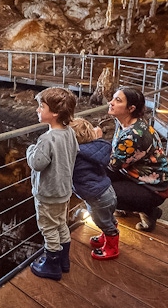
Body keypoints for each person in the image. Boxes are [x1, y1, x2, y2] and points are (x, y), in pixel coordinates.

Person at [26, 87, 79, 281]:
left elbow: (37, 163)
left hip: (48, 193)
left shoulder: (46, 139)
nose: (37, 110)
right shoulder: (70, 133)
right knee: (61, 224)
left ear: (54, 113)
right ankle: (64, 260)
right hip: (64, 190)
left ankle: (52, 264)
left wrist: (30, 150)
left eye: (41, 106)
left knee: (48, 228)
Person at [107, 87, 168, 232]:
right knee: (100, 175)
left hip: (152, 189)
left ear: (131, 108)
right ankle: (126, 205)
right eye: (113, 98)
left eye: (118, 100)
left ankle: (149, 210)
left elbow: (113, 165)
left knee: (101, 190)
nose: (110, 103)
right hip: (136, 175)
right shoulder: (126, 123)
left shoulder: (134, 134)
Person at [70, 118, 120, 260]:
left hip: (98, 197)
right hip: (107, 191)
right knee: (107, 218)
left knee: (101, 221)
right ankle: (107, 234)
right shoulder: (95, 151)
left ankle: (112, 247)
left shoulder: (77, 156)